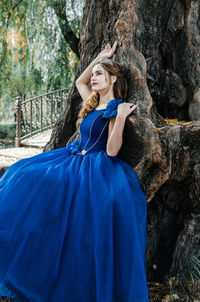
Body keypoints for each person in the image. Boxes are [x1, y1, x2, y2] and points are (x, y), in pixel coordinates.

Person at [0, 41, 149, 302]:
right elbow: (80, 82)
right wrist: (98, 58)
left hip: (96, 168)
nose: (93, 79)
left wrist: (123, 116)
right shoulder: (92, 102)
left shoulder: (114, 108)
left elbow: (113, 151)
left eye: (100, 74)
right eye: (94, 75)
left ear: (113, 79)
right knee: (20, 173)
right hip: (73, 157)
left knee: (61, 204)